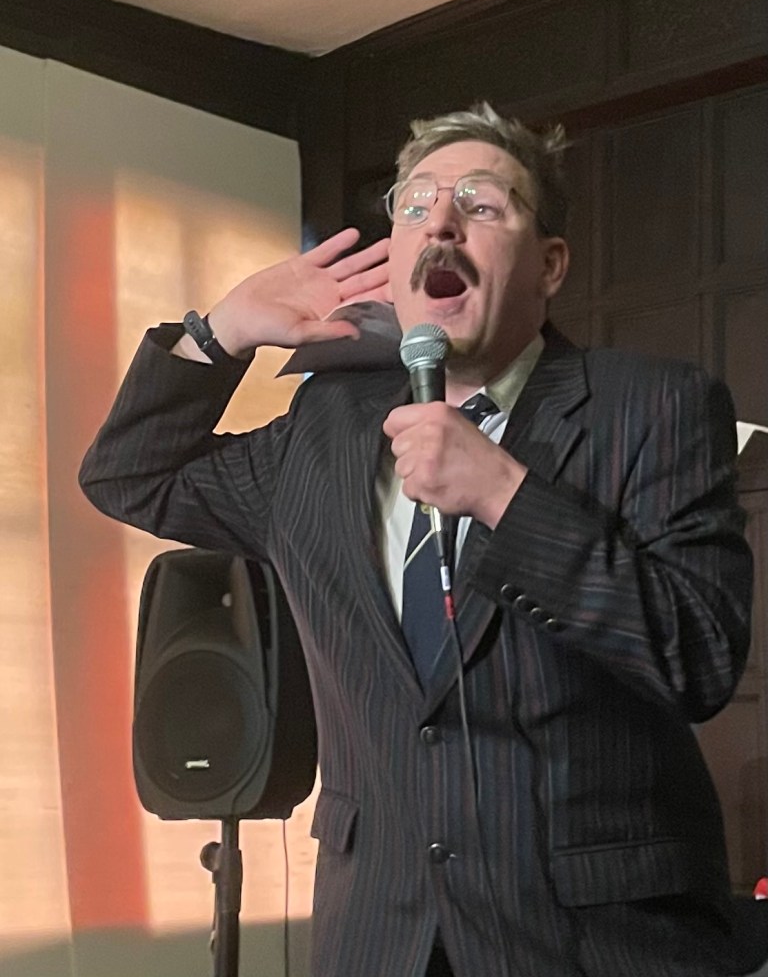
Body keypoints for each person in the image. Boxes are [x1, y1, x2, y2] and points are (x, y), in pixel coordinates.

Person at [80, 103, 768, 977]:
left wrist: (505, 496)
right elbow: (130, 475)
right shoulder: (324, 428)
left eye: (481, 204)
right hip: (382, 935)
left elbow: (698, 659)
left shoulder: (656, 406)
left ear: (550, 264)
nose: (440, 221)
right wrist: (221, 334)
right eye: (415, 206)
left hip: (599, 942)